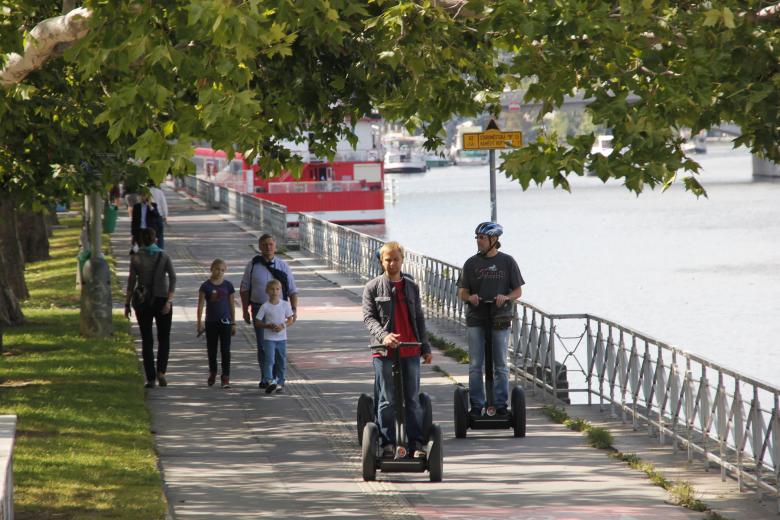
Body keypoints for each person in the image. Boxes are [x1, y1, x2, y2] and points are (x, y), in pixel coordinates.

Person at [363, 241, 432, 459]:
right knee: (387, 400)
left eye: (396, 259)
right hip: (383, 352)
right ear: (381, 262)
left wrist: (425, 347)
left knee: (412, 399)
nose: (392, 263)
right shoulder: (372, 287)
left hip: (410, 350)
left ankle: (416, 444)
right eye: (388, 260)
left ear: (402, 260)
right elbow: (369, 318)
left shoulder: (411, 287)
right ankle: (388, 444)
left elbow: (418, 318)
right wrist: (384, 336)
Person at [458, 222, 524, 417]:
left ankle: (501, 405)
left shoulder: (507, 262)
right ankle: (477, 405)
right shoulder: (471, 263)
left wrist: (506, 297)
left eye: (482, 238)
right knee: (475, 365)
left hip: (500, 318)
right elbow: (462, 292)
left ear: (494, 240)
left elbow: (518, 291)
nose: (478, 241)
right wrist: (470, 297)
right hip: (476, 318)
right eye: (477, 238)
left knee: (501, 364)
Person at [240, 233, 298, 388]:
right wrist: (245, 310)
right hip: (259, 308)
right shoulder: (252, 266)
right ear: (259, 247)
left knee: (278, 346)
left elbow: (292, 290)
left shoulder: (283, 266)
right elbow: (244, 288)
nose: (268, 247)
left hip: (279, 311)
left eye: (271, 244)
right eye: (264, 244)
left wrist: (293, 310)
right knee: (263, 345)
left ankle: (278, 378)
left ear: (275, 246)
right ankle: (267, 378)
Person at [125, 228, 177, 388]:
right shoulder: (164, 256)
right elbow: (173, 277)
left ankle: (150, 378)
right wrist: (169, 301)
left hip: (143, 301)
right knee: (164, 338)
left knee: (146, 339)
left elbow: (131, 281)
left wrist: (127, 304)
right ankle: (161, 372)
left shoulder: (136, 257)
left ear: (141, 240)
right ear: (156, 239)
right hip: (162, 300)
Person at [196, 258, 236, 388]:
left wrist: (233, 322)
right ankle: (213, 372)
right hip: (211, 322)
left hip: (226, 322)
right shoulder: (205, 286)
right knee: (212, 350)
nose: (219, 272)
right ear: (211, 269)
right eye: (217, 269)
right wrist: (199, 323)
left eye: (222, 270)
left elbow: (231, 305)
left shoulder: (228, 286)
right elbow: (200, 305)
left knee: (225, 350)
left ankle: (226, 376)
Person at [253, 280, 294, 394]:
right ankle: (270, 381)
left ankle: (280, 382)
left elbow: (290, 319)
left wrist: (283, 326)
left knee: (281, 360)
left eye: (277, 289)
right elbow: (257, 322)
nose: (275, 292)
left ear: (280, 291)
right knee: (270, 360)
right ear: (267, 291)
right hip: (269, 339)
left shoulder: (285, 304)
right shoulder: (265, 306)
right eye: (272, 289)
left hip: (282, 338)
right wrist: (267, 326)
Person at [148, 180, 169, 249]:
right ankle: (160, 250)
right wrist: (165, 215)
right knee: (160, 235)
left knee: (150, 235)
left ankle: (151, 250)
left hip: (149, 216)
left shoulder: (146, 192)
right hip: (159, 215)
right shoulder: (159, 192)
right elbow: (164, 204)